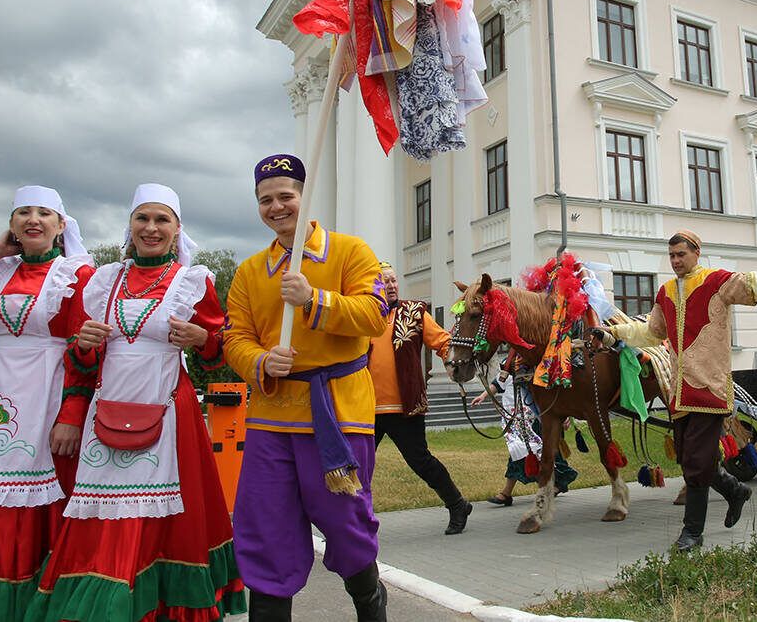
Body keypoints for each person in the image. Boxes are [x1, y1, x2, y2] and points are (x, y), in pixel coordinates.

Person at [28, 184, 244, 621]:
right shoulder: (102, 281)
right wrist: (84, 345)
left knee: (165, 520)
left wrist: (204, 340)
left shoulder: (193, 282)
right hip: (107, 407)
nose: (151, 228)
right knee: (103, 513)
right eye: (142, 218)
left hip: (170, 411)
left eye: (161, 219)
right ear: (130, 225)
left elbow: (219, 354)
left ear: (177, 229)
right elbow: (81, 362)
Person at [223, 154, 388, 621]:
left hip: (338, 413)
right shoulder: (251, 271)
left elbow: (375, 315)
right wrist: (260, 360)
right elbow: (235, 337)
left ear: (304, 197)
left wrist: (314, 300)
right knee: (265, 528)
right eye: (265, 200)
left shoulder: (351, 251)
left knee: (346, 523)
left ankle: (371, 602)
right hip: (271, 417)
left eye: (285, 196)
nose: (276, 207)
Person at [599, 229, 757, 551]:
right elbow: (651, 332)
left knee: (696, 463)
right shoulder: (665, 292)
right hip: (679, 390)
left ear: (697, 252)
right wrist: (612, 333)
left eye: (681, 254)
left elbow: (756, 283)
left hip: (710, 388)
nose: (676, 261)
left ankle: (692, 533)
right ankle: (735, 491)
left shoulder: (717, 282)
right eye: (672, 256)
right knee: (688, 457)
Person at [0, 187, 94, 620]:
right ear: (12, 224)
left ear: (61, 226)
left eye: (44, 213)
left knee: (39, 500)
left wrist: (72, 414)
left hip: (48, 390)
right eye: (23, 213)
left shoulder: (76, 274)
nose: (33, 220)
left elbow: (82, 348)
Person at [368, 262, 471, 535]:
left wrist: (453, 363)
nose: (390, 285)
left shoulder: (414, 312)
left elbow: (443, 341)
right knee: (360, 467)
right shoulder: (363, 315)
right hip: (366, 408)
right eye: (383, 281)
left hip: (406, 406)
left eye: (392, 280)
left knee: (421, 461)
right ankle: (358, 523)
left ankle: (457, 503)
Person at [472, 360, 579, 506]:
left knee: (528, 452)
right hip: (515, 418)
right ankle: (558, 480)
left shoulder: (539, 362)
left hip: (535, 416)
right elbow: (498, 383)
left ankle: (507, 493)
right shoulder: (509, 363)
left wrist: (564, 415)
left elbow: (554, 391)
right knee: (519, 452)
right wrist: (483, 396)